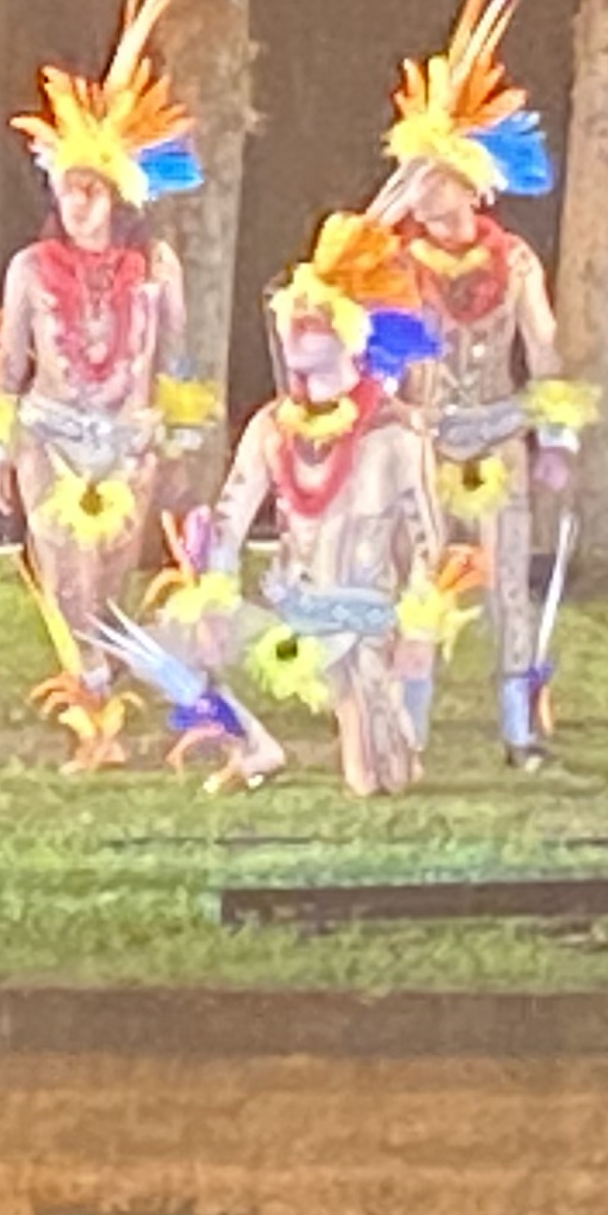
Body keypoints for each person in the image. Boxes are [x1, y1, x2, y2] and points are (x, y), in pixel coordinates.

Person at [0, 0, 212, 771]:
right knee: (65, 572)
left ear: (118, 196)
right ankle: (94, 715)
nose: (76, 205)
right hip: (50, 436)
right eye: (66, 190)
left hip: (129, 439)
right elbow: (8, 367)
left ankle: (102, 691)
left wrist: (179, 442)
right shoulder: (30, 268)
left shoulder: (155, 268)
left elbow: (176, 358)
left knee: (105, 581)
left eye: (89, 191)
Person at [380, 0, 592, 768]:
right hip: (424, 441)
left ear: (470, 181)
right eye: (413, 177)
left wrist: (558, 440)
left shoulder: (517, 261)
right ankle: (408, 733)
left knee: (507, 585)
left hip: (499, 438)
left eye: (432, 177)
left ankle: (519, 732)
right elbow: (376, 354)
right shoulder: (398, 265)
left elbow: (544, 348)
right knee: (420, 583)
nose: (419, 192)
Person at [202, 211, 444, 796]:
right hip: (291, 609)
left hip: (362, 619)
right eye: (293, 320)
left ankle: (390, 720)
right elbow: (228, 524)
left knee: (379, 779)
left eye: (313, 325)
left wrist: (418, 631)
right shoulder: (270, 427)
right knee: (175, 643)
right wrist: (214, 594)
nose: (294, 334)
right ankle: (256, 746)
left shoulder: (395, 433)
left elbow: (429, 543)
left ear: (349, 336)